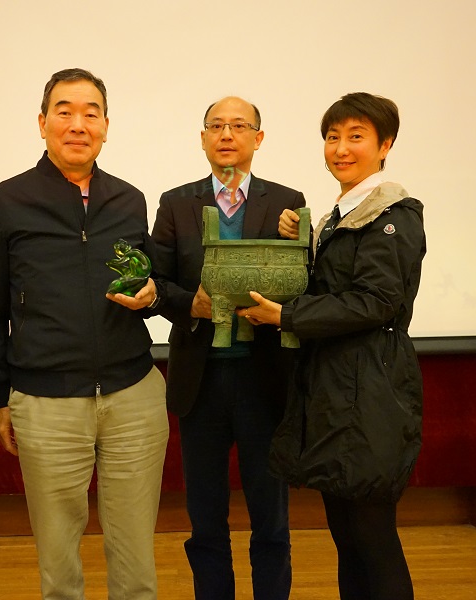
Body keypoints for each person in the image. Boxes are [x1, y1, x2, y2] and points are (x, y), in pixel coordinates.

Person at [0, 68, 169, 600]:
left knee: (136, 561)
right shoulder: (5, 201)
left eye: (91, 113)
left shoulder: (129, 199)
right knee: (59, 566)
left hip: (133, 396)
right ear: (42, 123)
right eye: (65, 112)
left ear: (106, 126)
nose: (78, 124)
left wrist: (153, 296)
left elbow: (146, 281)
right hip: (46, 402)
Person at [238, 92, 426, 600]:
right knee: (347, 537)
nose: (341, 148)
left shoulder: (393, 214)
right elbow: (333, 286)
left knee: (373, 537)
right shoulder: (339, 217)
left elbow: (375, 301)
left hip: (372, 390)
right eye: (332, 137)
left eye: (356, 137)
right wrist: (301, 241)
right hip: (336, 389)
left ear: (385, 145)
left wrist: (287, 316)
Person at [150, 96, 305, 599]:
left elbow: (302, 278)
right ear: (202, 138)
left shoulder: (286, 202)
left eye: (239, 126)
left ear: (258, 138)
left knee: (271, 520)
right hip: (201, 381)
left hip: (264, 379)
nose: (226, 134)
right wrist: (190, 305)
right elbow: (156, 281)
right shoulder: (176, 203)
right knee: (206, 520)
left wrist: (297, 239)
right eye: (216, 125)